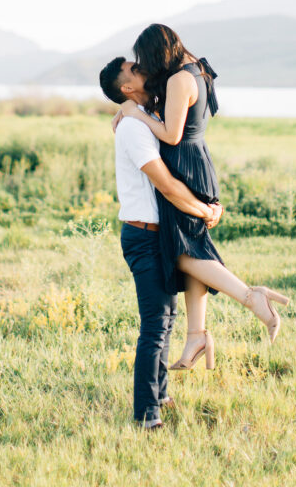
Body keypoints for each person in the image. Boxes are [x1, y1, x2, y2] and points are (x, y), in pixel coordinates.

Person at [108, 25, 290, 370]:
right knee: (189, 248)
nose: (144, 67)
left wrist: (135, 114)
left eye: (144, 60)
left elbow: (171, 135)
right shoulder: (196, 69)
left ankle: (252, 297)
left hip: (184, 167)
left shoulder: (179, 79)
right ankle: (196, 335)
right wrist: (133, 108)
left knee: (179, 252)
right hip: (195, 163)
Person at [100, 58, 222, 430]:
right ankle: (146, 414)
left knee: (165, 320)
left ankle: (161, 395)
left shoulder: (141, 115)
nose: (143, 68)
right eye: (135, 68)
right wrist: (204, 210)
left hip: (158, 233)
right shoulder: (133, 130)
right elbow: (167, 186)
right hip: (143, 235)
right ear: (126, 87)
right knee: (155, 324)